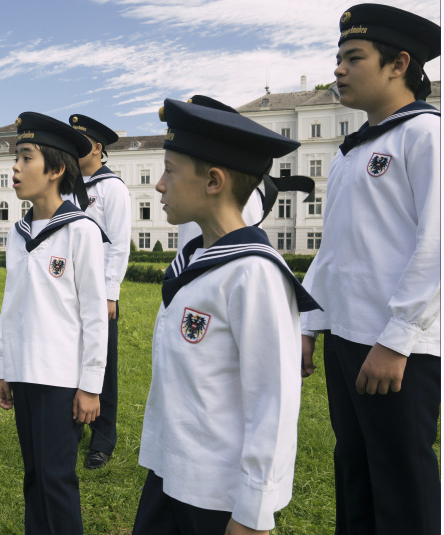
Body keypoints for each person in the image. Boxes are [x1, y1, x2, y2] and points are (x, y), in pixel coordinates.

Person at [132, 98, 321, 535]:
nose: (159, 185)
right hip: (169, 474)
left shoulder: (254, 272)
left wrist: (253, 511)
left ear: (213, 181)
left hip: (217, 495)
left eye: (170, 170)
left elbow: (273, 401)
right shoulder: (199, 257)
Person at [300, 5, 441, 534]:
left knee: (402, 483)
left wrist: (397, 339)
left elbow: (437, 244)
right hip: (349, 336)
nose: (338, 69)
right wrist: (312, 323)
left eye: (353, 58)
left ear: (398, 63)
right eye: (337, 58)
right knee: (355, 472)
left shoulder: (426, 136)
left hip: (398, 347)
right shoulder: (351, 151)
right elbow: (336, 249)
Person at [0, 111, 108, 534]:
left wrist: (90, 385)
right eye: (16, 158)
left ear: (56, 169)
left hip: (61, 378)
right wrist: (6, 368)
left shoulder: (81, 231)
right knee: (34, 473)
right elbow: (12, 306)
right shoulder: (19, 231)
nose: (15, 168)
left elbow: (94, 314)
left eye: (25, 158)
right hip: (25, 371)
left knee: (58, 476)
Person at [68, 113, 130, 469]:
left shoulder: (112, 188)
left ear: (96, 148)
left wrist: (110, 293)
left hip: (99, 294)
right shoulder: (68, 184)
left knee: (102, 366)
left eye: (79, 143)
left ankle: (102, 439)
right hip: (70, 291)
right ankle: (74, 425)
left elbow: (119, 244)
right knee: (74, 361)